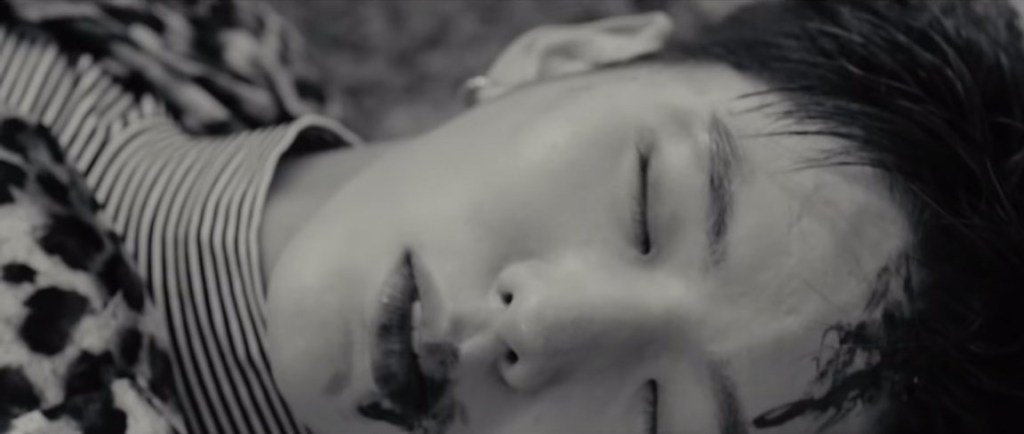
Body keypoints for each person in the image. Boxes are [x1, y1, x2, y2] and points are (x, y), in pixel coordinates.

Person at [0, 1, 1021, 434]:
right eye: (644, 206)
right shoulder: (193, 33)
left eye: (659, 420)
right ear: (572, 55)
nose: (544, 323)